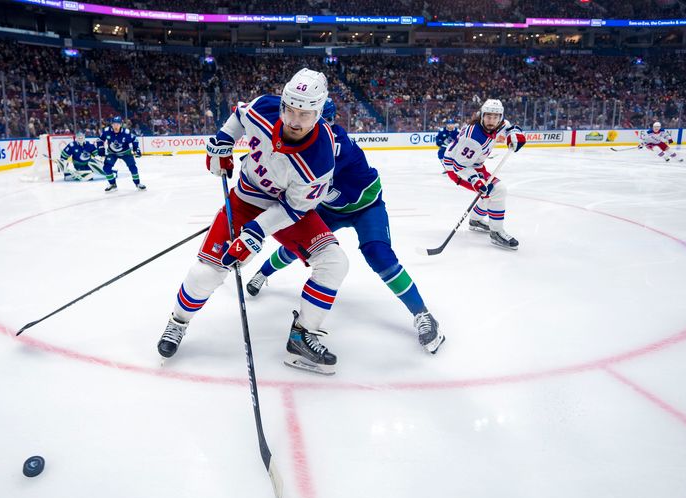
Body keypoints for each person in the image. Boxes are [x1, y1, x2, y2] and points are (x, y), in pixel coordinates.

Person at [157, 68, 349, 375]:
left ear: (318, 113)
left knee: (334, 262)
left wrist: (256, 233)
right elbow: (238, 116)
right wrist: (223, 141)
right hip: (245, 201)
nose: (295, 121)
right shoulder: (265, 108)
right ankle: (177, 322)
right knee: (205, 272)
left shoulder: (321, 157)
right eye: (290, 110)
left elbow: (295, 209)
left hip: (287, 212)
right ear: (283, 103)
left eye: (305, 114)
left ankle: (302, 335)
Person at [246, 98, 444, 354]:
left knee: (379, 255)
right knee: (300, 245)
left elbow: (295, 173)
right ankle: (263, 274)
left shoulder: (333, 145)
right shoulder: (305, 143)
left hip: (366, 206)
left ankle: (423, 314)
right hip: (330, 208)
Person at [441, 99, 526, 250]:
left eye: (495, 117)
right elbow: (459, 166)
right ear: (482, 116)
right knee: (497, 190)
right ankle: (496, 232)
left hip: (474, 164)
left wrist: (515, 134)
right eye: (488, 117)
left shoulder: (499, 123)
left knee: (489, 193)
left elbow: (508, 127)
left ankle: (475, 220)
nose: (491, 121)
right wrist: (475, 180)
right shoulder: (473, 138)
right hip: (457, 169)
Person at [97, 116, 146, 191]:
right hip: (112, 153)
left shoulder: (126, 132)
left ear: (121, 125)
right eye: (114, 124)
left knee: (133, 167)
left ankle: (138, 184)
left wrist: (136, 149)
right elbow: (100, 140)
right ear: (111, 124)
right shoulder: (107, 131)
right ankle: (112, 184)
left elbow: (134, 139)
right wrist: (100, 148)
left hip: (125, 152)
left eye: (117, 124)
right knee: (106, 168)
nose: (116, 126)